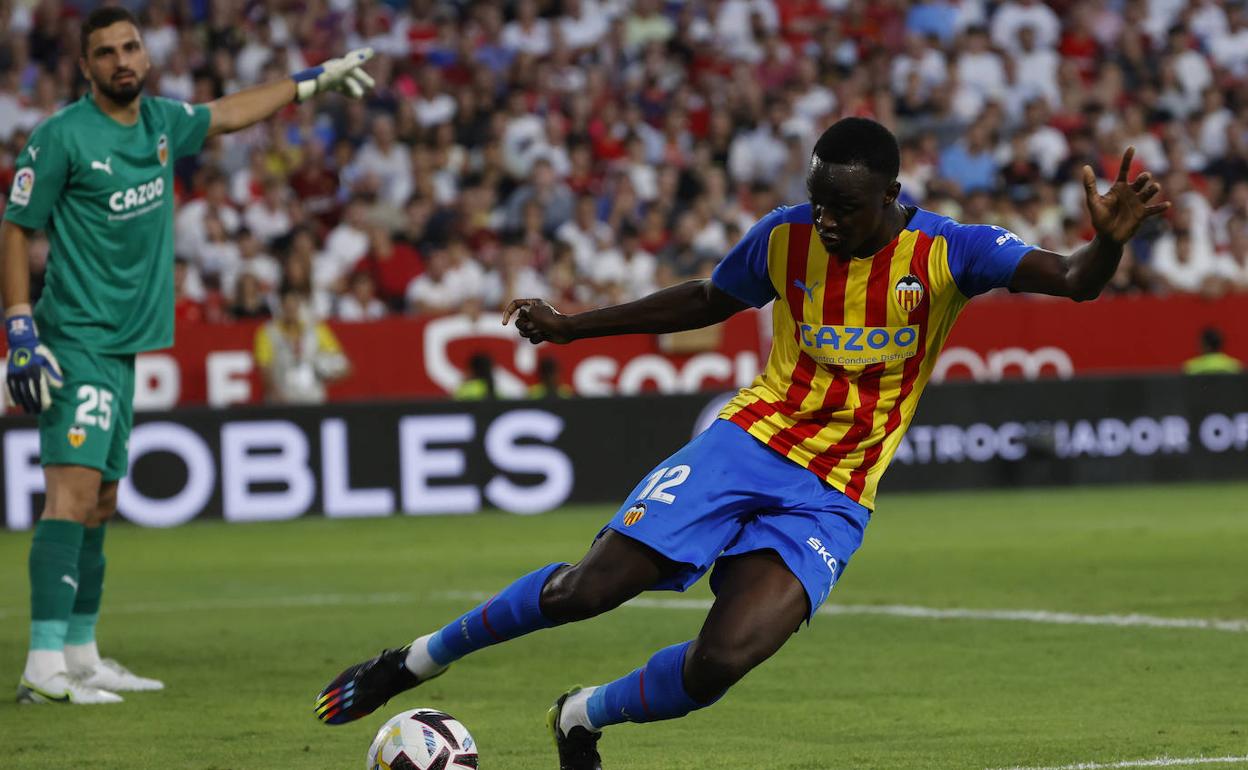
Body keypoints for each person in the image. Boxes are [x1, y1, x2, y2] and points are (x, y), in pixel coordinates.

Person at [313, 118, 1169, 769]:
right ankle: (417, 662)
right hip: (747, 444)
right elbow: (705, 301)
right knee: (586, 592)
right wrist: (572, 329)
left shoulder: (950, 252)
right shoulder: (787, 234)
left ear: (891, 197)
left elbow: (1070, 283)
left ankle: (581, 716)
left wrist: (1105, 244)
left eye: (846, 206)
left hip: (834, 491)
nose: (826, 219)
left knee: (722, 661)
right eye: (818, 199)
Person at [2, 6, 374, 705]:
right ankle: (43, 663)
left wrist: (311, 81)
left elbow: (231, 111)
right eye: (105, 51)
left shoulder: (161, 125)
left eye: (130, 47)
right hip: (76, 338)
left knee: (102, 499)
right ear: (84, 67)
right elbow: (16, 227)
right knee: (71, 492)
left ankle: (80, 655)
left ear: (144, 56)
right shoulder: (60, 138)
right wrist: (20, 328)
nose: (121, 60)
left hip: (123, 346)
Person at [254, 284, 351, 404]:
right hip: (283, 399)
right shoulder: (268, 332)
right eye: (287, 306)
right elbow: (264, 368)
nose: (291, 310)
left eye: (293, 305)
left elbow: (344, 367)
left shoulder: (317, 329)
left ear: (299, 305)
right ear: (280, 307)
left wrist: (327, 373)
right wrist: (275, 394)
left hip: (313, 400)